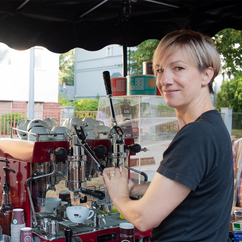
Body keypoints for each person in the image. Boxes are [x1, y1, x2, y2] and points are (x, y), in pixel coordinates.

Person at [103, 29, 234, 242]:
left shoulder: (196, 134)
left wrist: (119, 194)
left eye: (178, 68)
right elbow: (194, 188)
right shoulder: (214, 126)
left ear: (206, 75)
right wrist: (136, 188)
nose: (164, 80)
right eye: (160, 70)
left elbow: (143, 218)